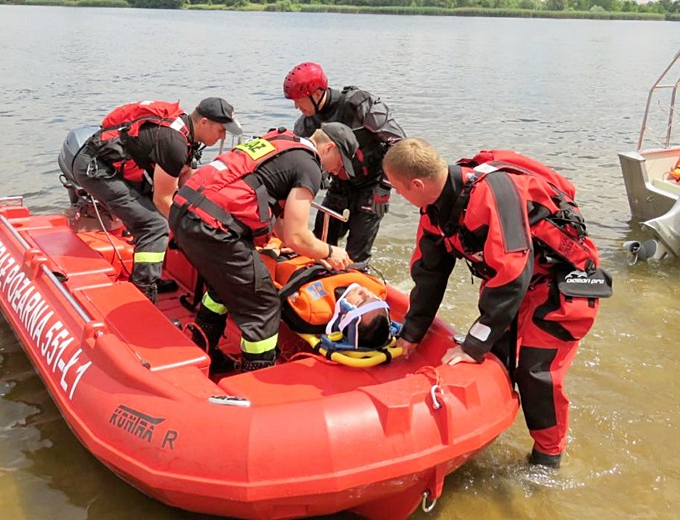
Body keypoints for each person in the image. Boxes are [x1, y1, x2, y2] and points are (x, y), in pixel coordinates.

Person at [383, 138, 608, 469]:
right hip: (518, 282)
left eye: (399, 190)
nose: (399, 197)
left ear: (417, 184)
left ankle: (548, 459)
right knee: (498, 359)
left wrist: (473, 344)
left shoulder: (493, 195)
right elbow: (429, 275)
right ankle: (493, 431)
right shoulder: (436, 210)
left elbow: (512, 273)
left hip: (566, 283)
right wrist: (411, 332)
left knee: (534, 371)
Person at [169, 123, 357, 372]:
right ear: (330, 147)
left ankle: (204, 350)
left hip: (184, 211)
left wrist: (316, 252)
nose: (337, 171)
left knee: (221, 287)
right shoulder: (309, 165)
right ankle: (256, 374)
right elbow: (295, 235)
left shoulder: (281, 143)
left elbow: (282, 226)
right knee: (264, 305)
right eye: (340, 162)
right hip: (214, 228)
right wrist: (332, 251)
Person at [68, 97, 242, 301]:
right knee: (155, 225)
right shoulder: (174, 143)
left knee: (161, 216)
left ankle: (149, 272)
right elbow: (163, 200)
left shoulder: (185, 133)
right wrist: (187, 229)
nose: (223, 137)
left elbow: (185, 178)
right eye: (221, 130)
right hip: (96, 168)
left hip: (110, 162)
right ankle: (143, 289)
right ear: (204, 122)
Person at [283, 62, 406, 264]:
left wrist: (385, 185)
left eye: (299, 100)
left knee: (357, 253)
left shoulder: (359, 105)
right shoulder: (305, 124)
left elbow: (399, 144)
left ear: (316, 93)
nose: (297, 106)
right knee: (321, 239)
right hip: (339, 186)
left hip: (373, 184)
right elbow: (298, 161)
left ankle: (357, 279)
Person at [259, 241, 392, 350]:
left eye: (362, 301)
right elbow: (346, 263)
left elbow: (266, 290)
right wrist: (307, 247)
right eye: (373, 299)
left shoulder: (310, 312)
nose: (365, 292)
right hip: (300, 247)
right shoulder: (375, 288)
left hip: (271, 255)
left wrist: (269, 253)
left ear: (346, 316)